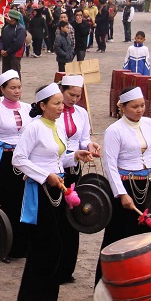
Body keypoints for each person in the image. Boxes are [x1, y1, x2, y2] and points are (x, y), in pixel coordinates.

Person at [12, 83, 93, 301]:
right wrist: (44, 175)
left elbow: (57, 159)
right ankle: (29, 300)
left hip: (58, 191)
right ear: (42, 105)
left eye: (61, 103)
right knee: (42, 246)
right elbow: (18, 159)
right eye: (56, 103)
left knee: (57, 246)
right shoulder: (33, 128)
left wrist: (74, 156)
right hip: (40, 192)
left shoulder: (56, 125)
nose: (61, 107)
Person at [97, 86, 151, 284]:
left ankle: (139, 282)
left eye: (142, 105)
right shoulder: (114, 131)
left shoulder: (149, 124)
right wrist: (121, 194)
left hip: (147, 186)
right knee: (118, 237)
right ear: (122, 107)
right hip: (126, 187)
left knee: (145, 237)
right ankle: (107, 284)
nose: (139, 110)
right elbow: (110, 166)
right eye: (134, 107)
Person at [0, 70, 31, 260]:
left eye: (19, 87)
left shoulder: (27, 109)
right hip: (3, 160)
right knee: (6, 202)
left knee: (23, 202)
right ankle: (5, 246)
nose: (17, 91)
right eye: (12, 88)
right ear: (2, 89)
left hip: (24, 161)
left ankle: (22, 245)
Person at [58, 75, 101, 281]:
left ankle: (67, 268)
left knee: (73, 217)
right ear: (61, 91)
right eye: (70, 94)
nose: (74, 99)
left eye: (78, 95)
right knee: (56, 218)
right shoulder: (52, 111)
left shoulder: (82, 113)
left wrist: (89, 146)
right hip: (55, 169)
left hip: (75, 168)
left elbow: (83, 139)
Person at [0, 9, 26, 73]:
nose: (7, 18)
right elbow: (1, 39)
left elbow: (18, 43)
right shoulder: (6, 27)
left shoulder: (20, 29)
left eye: (9, 17)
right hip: (5, 55)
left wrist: (8, 52)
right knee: (5, 74)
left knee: (14, 73)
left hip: (15, 55)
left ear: (13, 18)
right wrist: (1, 49)